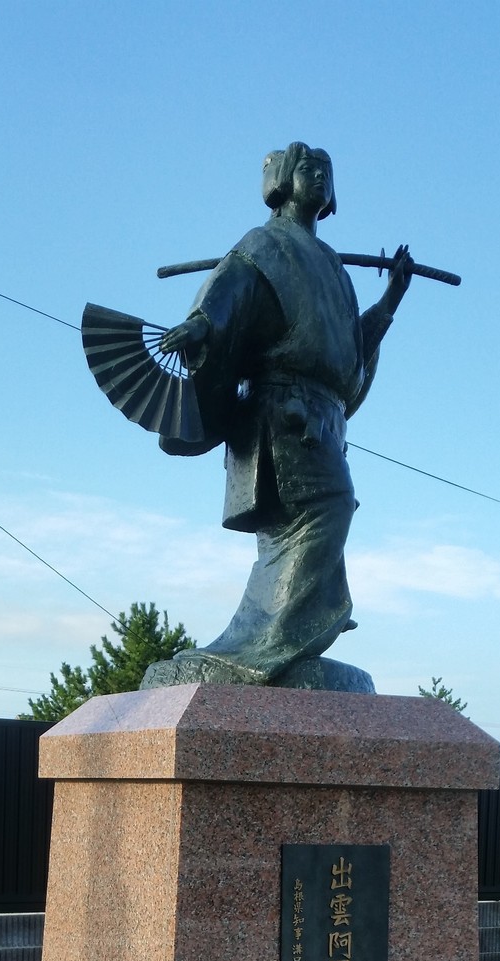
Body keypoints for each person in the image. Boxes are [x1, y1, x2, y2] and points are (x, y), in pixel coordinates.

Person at [159, 143, 413, 683]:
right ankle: (261, 651)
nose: (319, 177)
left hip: (324, 416)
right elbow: (228, 291)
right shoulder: (264, 245)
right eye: (307, 169)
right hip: (283, 413)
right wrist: (202, 326)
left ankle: (268, 646)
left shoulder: (335, 270)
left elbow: (347, 353)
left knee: (294, 534)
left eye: (327, 171)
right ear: (281, 179)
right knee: (330, 508)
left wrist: (389, 299)